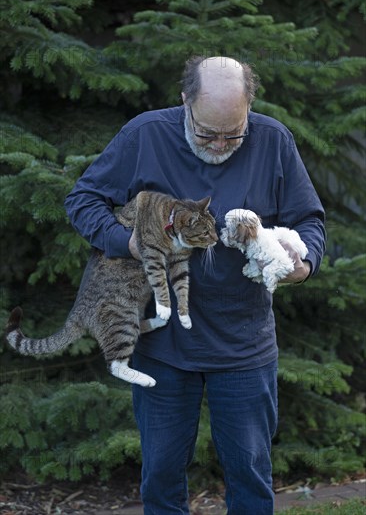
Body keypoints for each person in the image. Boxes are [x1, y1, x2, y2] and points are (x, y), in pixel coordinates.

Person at [64, 56, 326, 515]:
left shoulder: (274, 140)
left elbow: (309, 220)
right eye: (207, 133)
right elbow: (83, 198)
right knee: (162, 477)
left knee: (249, 475)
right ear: (185, 101)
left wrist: (304, 265)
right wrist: (126, 242)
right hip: (163, 344)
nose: (221, 144)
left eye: (234, 133)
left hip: (243, 343)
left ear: (250, 109)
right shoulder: (145, 135)